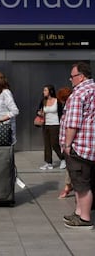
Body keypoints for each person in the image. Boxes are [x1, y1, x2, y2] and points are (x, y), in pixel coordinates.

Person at [60, 62, 95, 230]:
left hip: (79, 146)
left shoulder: (79, 93)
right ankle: (79, 212)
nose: (70, 80)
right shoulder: (93, 89)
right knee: (83, 182)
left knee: (81, 184)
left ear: (81, 76)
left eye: (72, 76)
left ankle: (85, 219)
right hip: (91, 146)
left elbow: (72, 123)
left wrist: (67, 144)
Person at [37, 84, 65, 170]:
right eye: (44, 90)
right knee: (47, 145)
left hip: (55, 125)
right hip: (46, 125)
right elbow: (38, 110)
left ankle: (63, 158)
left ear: (50, 91)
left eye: (45, 90)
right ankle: (48, 163)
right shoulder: (43, 101)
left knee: (54, 143)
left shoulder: (57, 101)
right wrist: (39, 113)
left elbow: (61, 114)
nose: (44, 92)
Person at [56, 86, 73, 199]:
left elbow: (71, 126)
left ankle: (68, 187)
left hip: (70, 143)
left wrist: (67, 144)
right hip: (66, 142)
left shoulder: (71, 107)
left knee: (71, 167)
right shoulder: (67, 106)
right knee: (70, 166)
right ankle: (69, 186)